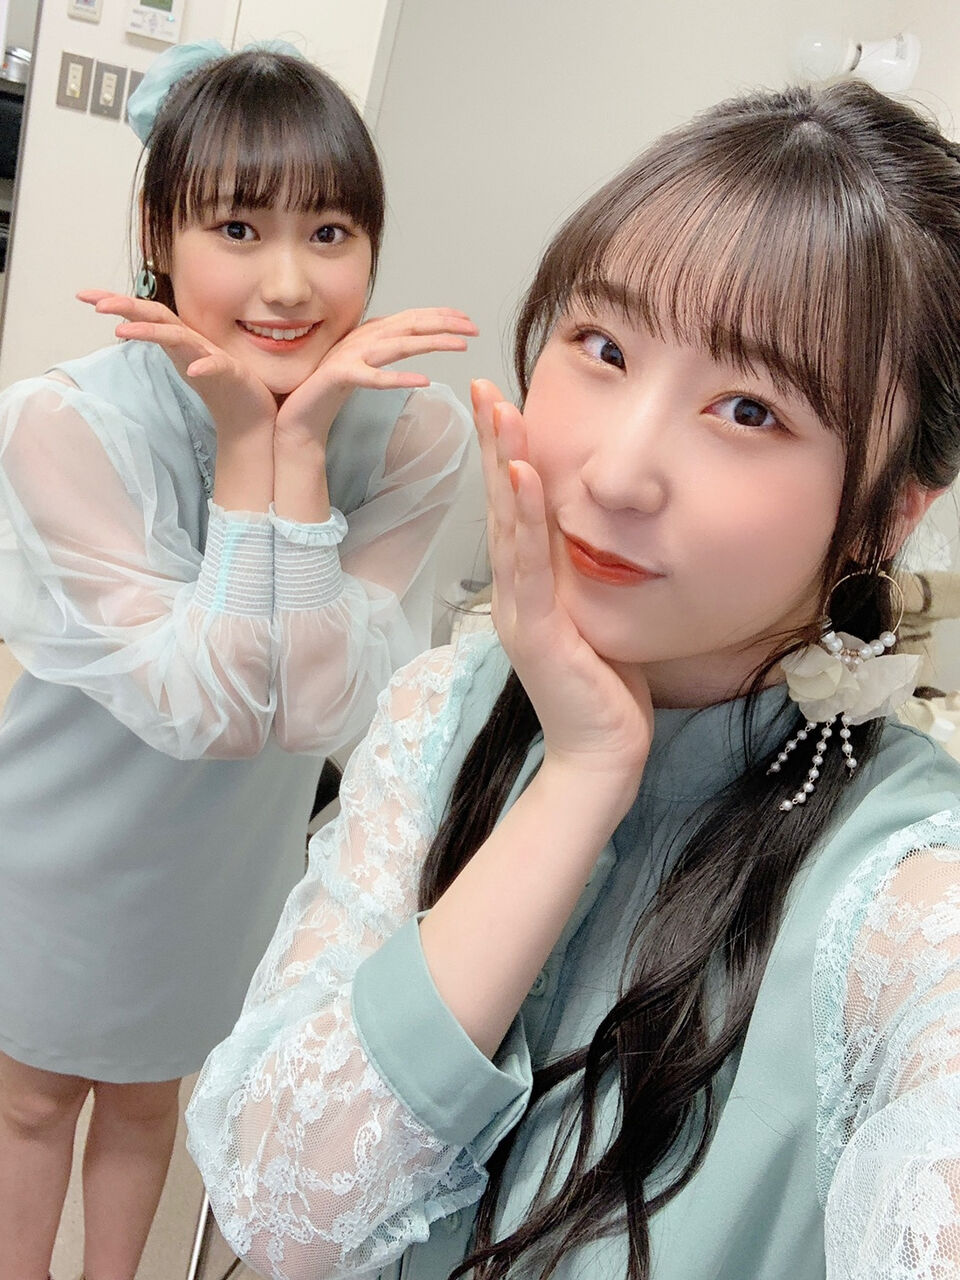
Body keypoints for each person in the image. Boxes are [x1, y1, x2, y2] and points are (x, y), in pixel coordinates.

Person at [186, 80, 960, 1280]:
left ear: (890, 512)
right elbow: (281, 1204)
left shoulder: (907, 898)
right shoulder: (447, 706)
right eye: (603, 347)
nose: (616, 469)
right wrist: (582, 776)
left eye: (748, 409)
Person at [0, 40, 475, 1280]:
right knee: (31, 1099)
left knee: (149, 1094)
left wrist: (294, 451)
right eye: (237, 228)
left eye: (330, 232)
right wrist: (246, 447)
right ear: (156, 234)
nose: (289, 281)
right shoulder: (65, 421)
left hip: (227, 859)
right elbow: (204, 706)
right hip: (64, 840)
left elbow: (320, 710)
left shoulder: (411, 435)